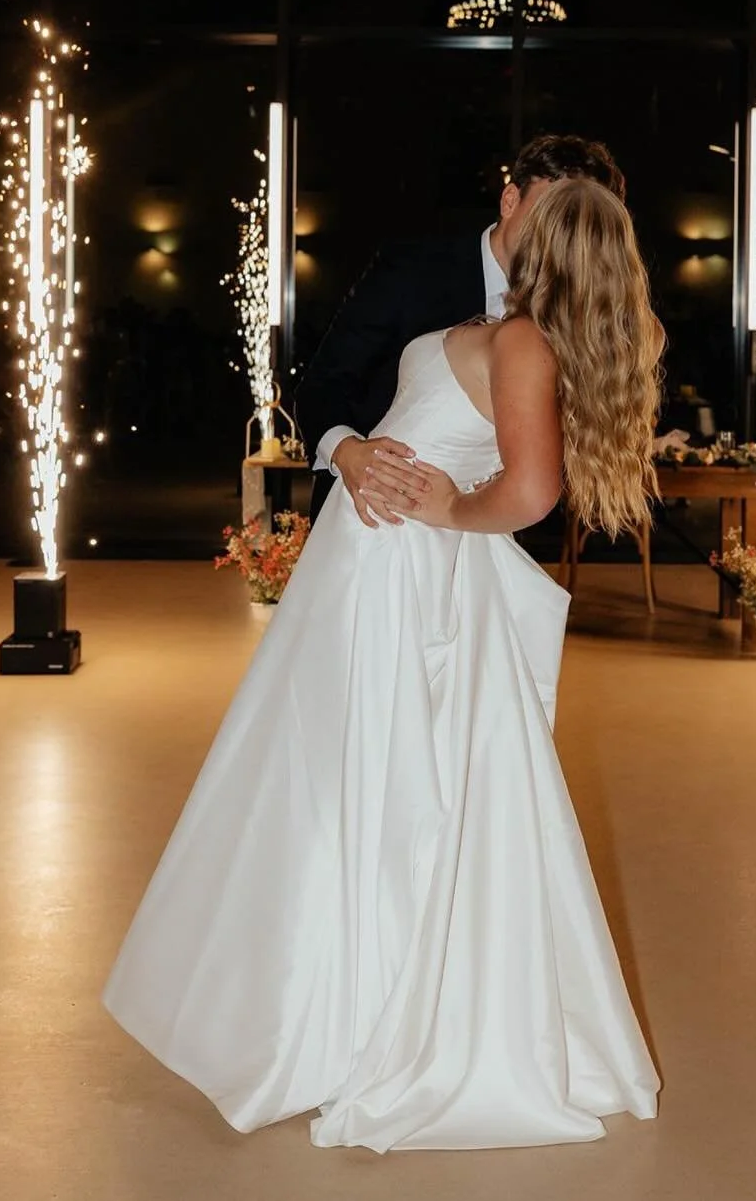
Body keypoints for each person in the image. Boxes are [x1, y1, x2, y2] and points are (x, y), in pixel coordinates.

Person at [102, 179, 663, 1151]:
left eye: (541, 216)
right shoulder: (512, 330)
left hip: (403, 582)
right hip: (369, 571)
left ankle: (356, 1018)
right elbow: (362, 391)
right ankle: (328, 1006)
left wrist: (449, 511)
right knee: (339, 782)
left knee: (384, 789)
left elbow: (530, 489)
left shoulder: (524, 342)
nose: (516, 223)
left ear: (550, 242)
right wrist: (374, 463)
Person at [295, 132, 625, 523]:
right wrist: (345, 451)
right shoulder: (412, 271)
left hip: (484, 528)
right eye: (549, 213)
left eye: (574, 223)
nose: (557, 235)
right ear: (509, 200)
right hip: (375, 513)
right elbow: (324, 384)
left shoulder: (574, 317)